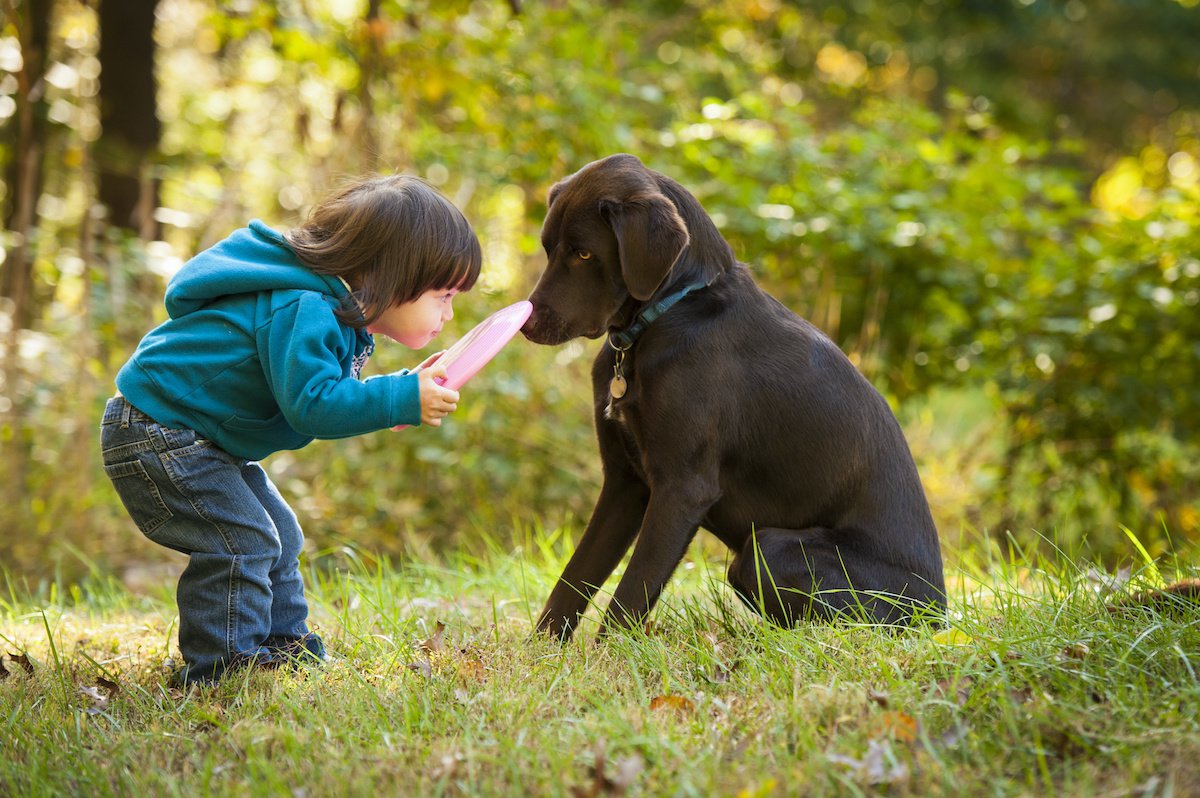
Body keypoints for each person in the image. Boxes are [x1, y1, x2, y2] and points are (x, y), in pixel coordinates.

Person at [99, 174, 481, 686]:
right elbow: (313, 405)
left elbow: (328, 389)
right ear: (390, 275)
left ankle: (283, 646)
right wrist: (397, 401)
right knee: (243, 540)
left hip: (195, 438)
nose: (448, 313)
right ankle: (223, 669)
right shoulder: (302, 306)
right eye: (443, 295)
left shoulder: (326, 309)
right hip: (157, 433)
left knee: (279, 533)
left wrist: (399, 393)